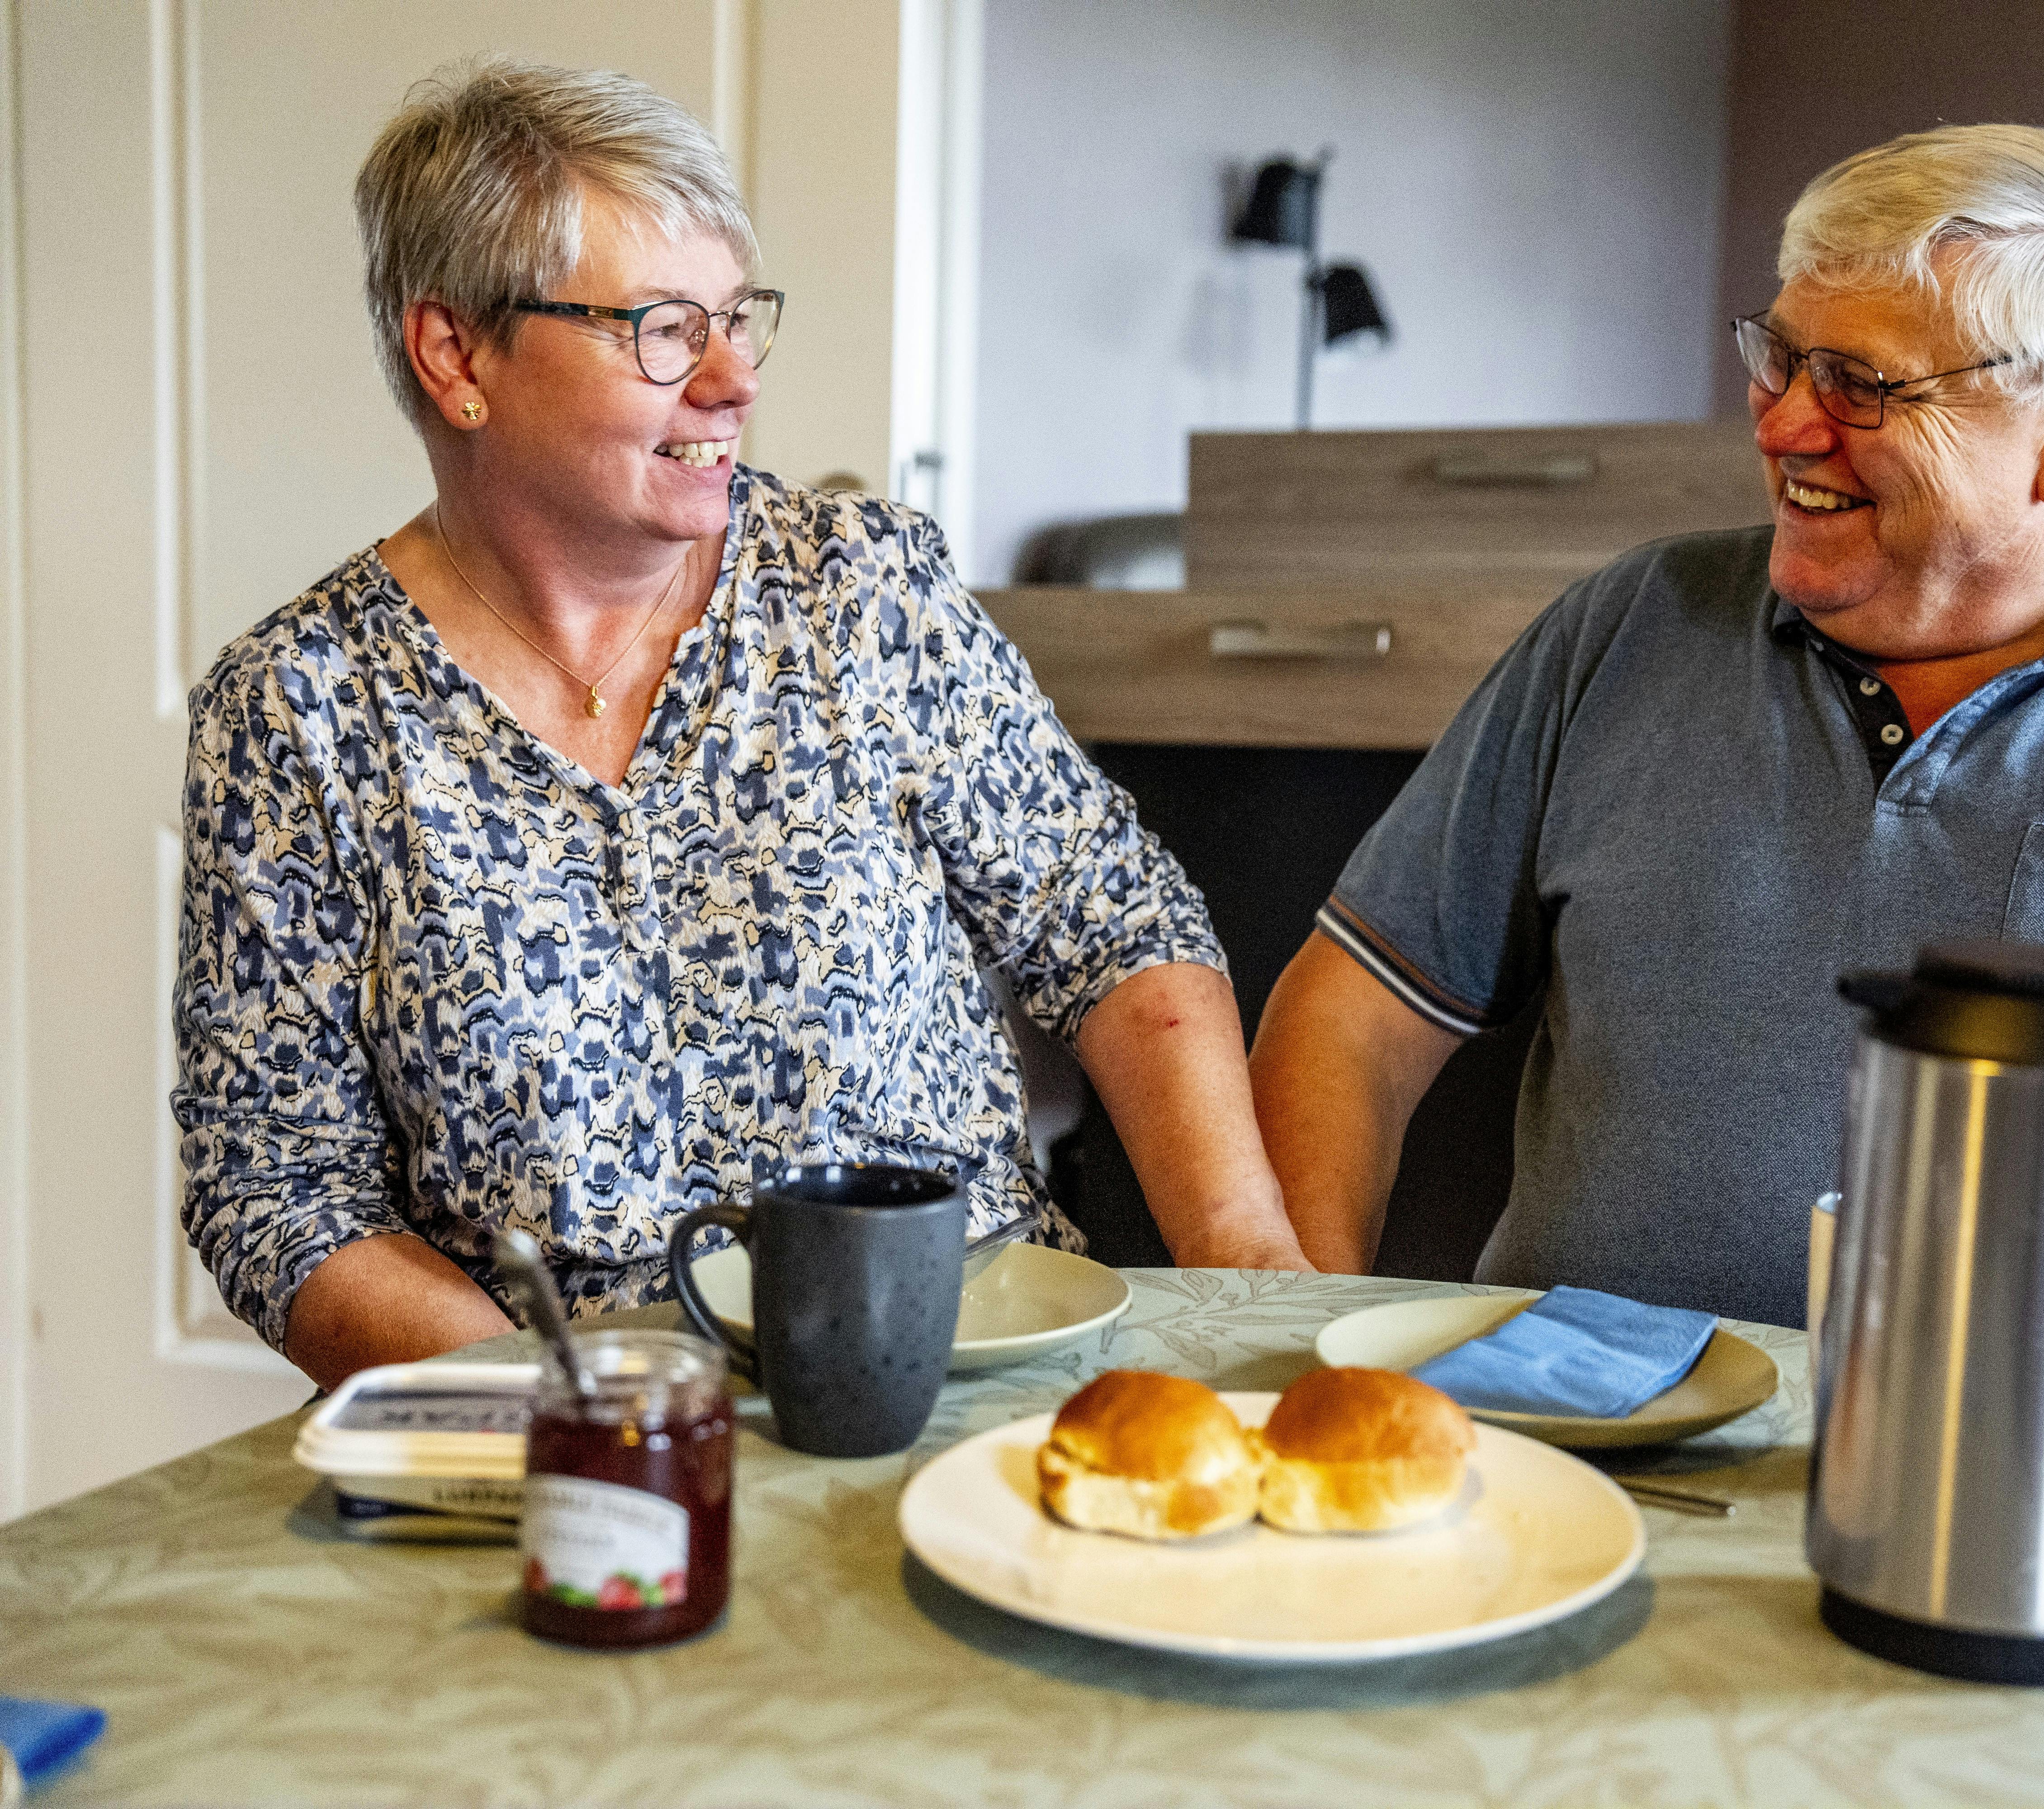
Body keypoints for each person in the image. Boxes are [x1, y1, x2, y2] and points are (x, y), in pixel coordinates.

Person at [1249, 125, 2044, 1549]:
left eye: (1863, 386)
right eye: (1779, 357)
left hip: (2026, 1502)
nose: (1780, 425)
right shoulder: (1625, 626)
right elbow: (1353, 1015)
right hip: (1550, 1461)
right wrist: (1297, 1332)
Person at [174, 59, 1306, 1390]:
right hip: (581, 1457)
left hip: (966, 1390)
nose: (732, 379)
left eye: (737, 319)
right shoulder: (297, 713)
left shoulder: (858, 591)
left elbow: (1112, 926)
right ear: (457, 355)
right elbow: (279, 1191)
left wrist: (1247, 1273)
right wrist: (584, 1413)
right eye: (662, 329)